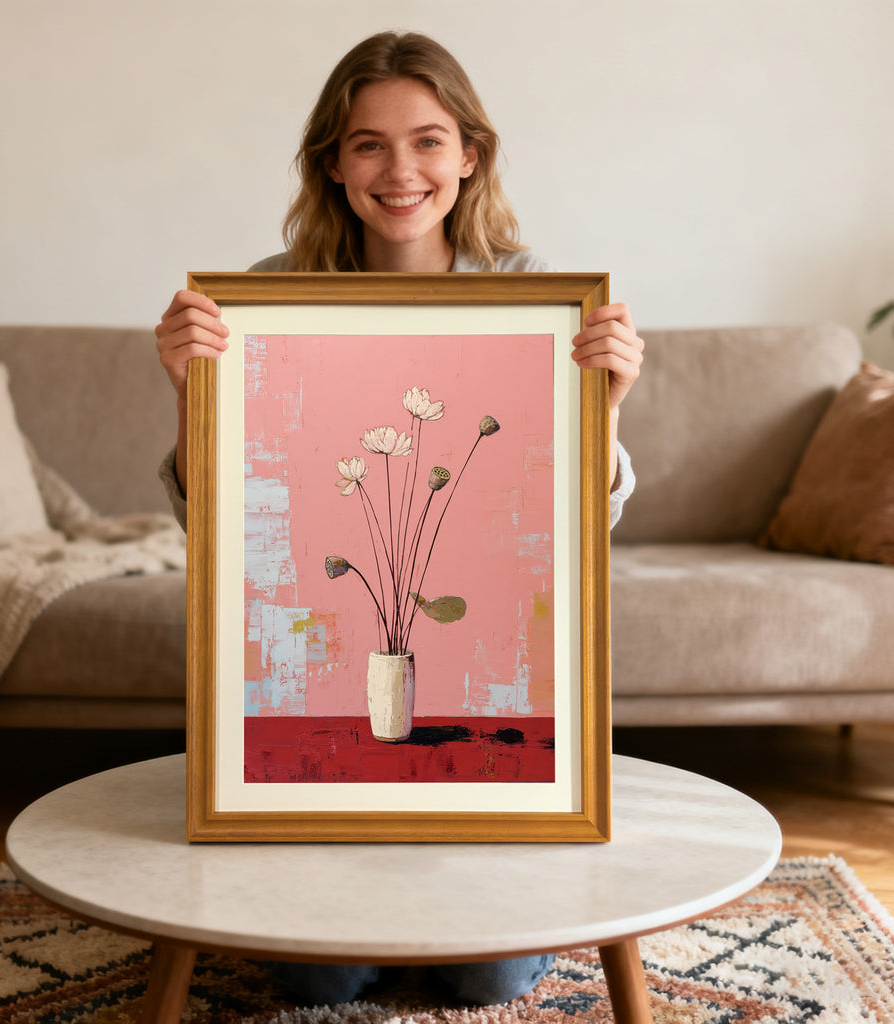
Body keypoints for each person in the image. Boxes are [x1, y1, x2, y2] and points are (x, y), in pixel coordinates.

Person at [154, 30, 643, 1008]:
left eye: (426, 140)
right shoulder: (271, 294)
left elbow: (568, 528)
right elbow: (223, 528)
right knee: (317, 978)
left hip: (482, 676)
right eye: (367, 143)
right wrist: (187, 391)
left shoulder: (530, 293)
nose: (399, 170)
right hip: (316, 664)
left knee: (479, 979)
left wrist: (610, 408)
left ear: (469, 153)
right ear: (332, 162)